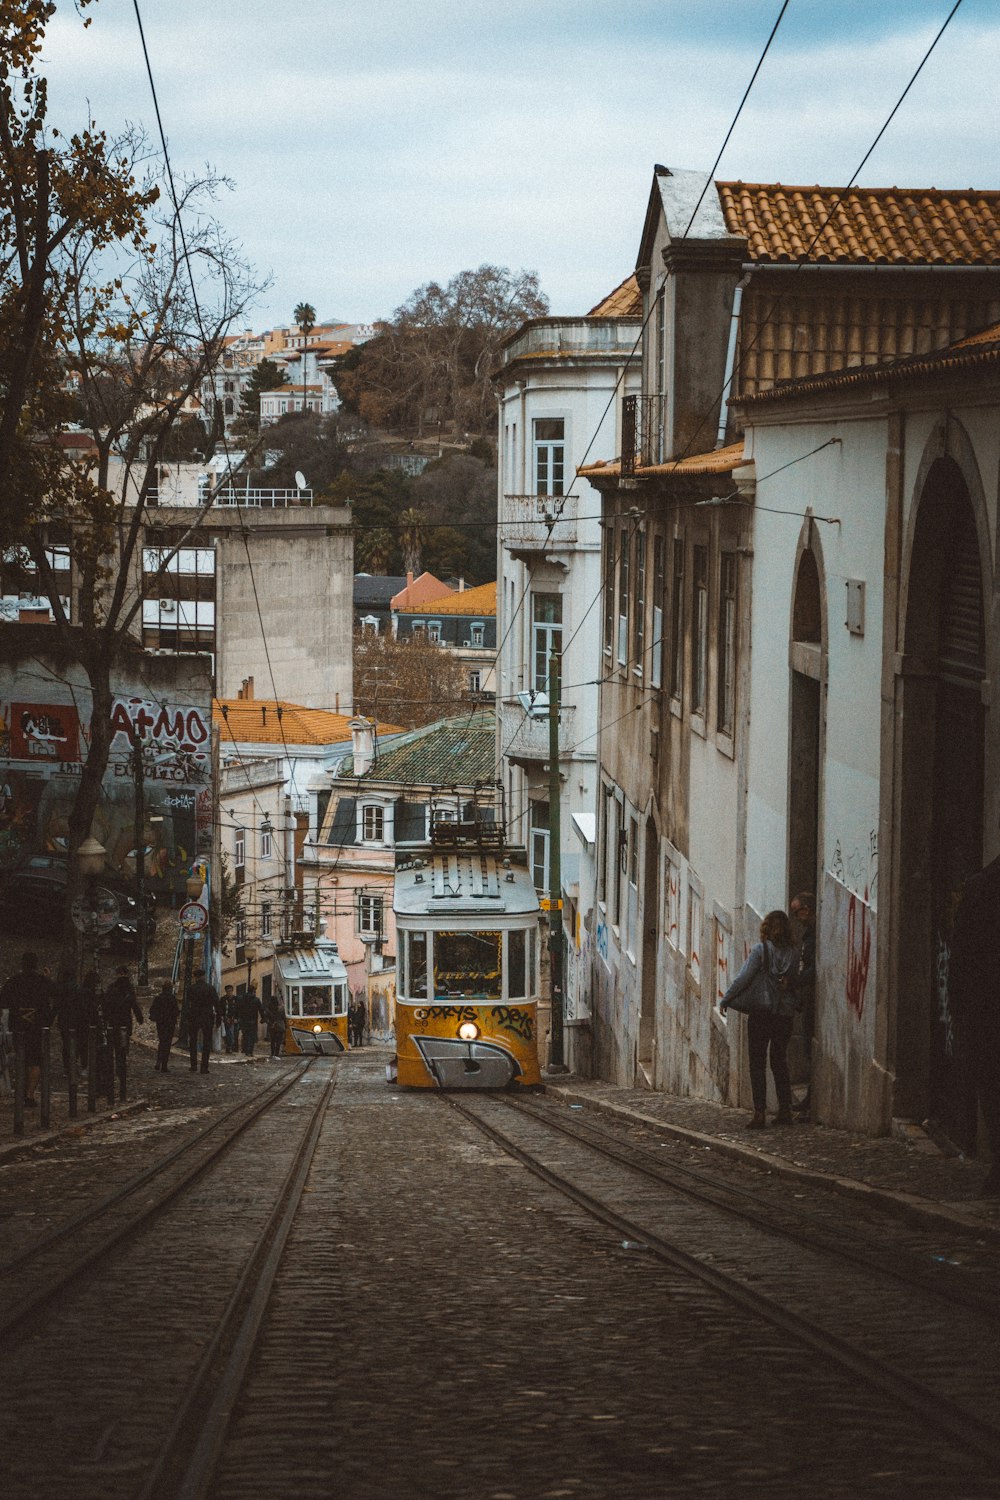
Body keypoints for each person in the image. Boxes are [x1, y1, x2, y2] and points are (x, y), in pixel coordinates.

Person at [948, 850, 1000, 1196]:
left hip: (985, 1014)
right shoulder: (980, 888)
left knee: (992, 1090)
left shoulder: (979, 888)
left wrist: (959, 1014)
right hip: (984, 1011)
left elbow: (960, 959)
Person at [720, 910, 800, 1129]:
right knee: (779, 1060)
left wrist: (726, 999)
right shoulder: (794, 952)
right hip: (784, 1013)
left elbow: (743, 978)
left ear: (766, 928)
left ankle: (759, 1113)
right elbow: (792, 980)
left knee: (757, 1063)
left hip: (762, 1013)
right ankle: (785, 1109)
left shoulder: (760, 950)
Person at [0, 951, 56, 1106]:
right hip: (37, 1027)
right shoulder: (42, 981)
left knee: (22, 1059)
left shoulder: (14, 981)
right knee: (35, 1061)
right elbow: (56, 994)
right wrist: (48, 978)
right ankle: (29, 1094)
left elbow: (3, 1001)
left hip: (18, 1026)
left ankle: (23, 1092)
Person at [789, 891, 817, 1120]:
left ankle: (811, 1099)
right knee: (808, 1049)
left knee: (810, 1048)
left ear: (806, 910)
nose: (796, 918)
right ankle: (810, 1097)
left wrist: (795, 981)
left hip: (812, 998)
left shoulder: (814, 935)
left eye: (796, 912)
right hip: (807, 998)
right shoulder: (810, 934)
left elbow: (813, 968)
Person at [102, 965, 144, 1095]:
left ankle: (111, 1072)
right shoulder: (129, 988)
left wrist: (105, 1019)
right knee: (122, 1049)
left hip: (113, 1023)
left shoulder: (111, 987)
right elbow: (134, 1004)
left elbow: (106, 1004)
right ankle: (121, 1070)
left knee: (112, 1048)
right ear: (126, 973)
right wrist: (139, 1018)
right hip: (125, 1023)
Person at [187, 968, 222, 1074]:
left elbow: (187, 1004)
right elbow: (217, 1004)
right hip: (207, 1017)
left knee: (193, 1041)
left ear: (196, 977)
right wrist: (219, 1018)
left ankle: (193, 1065)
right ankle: (204, 1067)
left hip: (194, 1016)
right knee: (207, 1042)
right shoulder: (210, 988)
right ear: (204, 976)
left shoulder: (191, 989)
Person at [150, 982, 179, 1072]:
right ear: (170, 989)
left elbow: (152, 1009)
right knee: (167, 1043)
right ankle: (164, 1065)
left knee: (162, 1041)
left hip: (161, 1023)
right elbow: (176, 1011)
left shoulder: (158, 998)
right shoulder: (172, 999)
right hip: (170, 1023)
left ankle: (159, 1061)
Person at [234, 982, 263, 1058]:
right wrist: (263, 1018)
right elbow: (261, 1010)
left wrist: (236, 1017)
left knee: (245, 1035)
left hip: (243, 1020)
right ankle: (250, 1051)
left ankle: (245, 1050)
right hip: (252, 1021)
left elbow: (237, 1008)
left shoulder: (241, 999)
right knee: (251, 1036)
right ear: (253, 991)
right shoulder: (256, 1000)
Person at [264, 994, 286, 1059]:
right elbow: (284, 1018)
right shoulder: (281, 1009)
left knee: (273, 1041)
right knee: (279, 1041)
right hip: (279, 1026)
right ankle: (276, 1053)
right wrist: (286, 1025)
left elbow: (266, 1018)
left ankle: (272, 1053)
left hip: (272, 1026)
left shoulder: (268, 1009)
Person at [222, 984, 238, 1053]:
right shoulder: (223, 999)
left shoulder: (236, 999)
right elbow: (221, 1009)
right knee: (226, 1034)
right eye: (228, 991)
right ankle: (229, 1046)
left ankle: (231, 1047)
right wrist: (224, 1017)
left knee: (232, 1033)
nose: (229, 992)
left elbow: (238, 1009)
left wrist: (236, 1018)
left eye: (230, 991)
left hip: (233, 1019)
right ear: (226, 991)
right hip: (225, 1019)